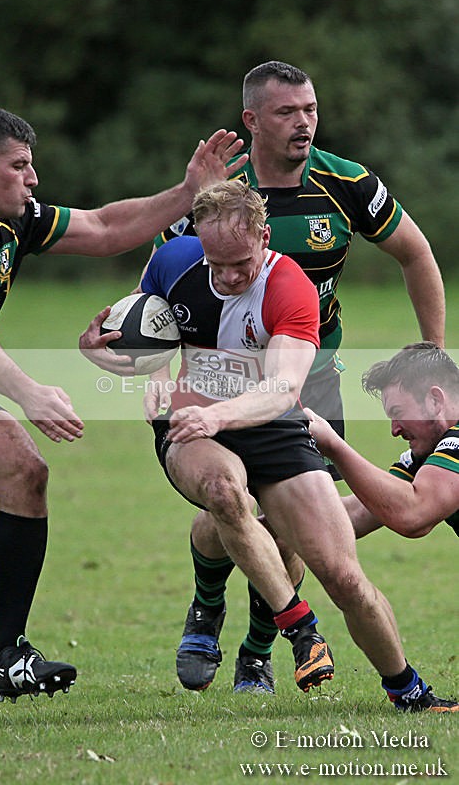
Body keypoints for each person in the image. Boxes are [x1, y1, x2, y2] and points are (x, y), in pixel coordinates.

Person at [81, 179, 456, 712]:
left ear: (263, 235)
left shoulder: (292, 287)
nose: (228, 277)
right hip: (191, 424)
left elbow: (283, 388)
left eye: (240, 263)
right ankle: (297, 628)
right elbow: (146, 331)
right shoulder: (173, 260)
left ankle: (408, 689)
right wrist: (104, 353)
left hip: (269, 424)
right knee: (224, 491)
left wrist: (220, 414)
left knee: (344, 575)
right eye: (216, 264)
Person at [140, 60, 446, 694]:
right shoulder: (218, 199)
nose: (304, 122)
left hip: (310, 379)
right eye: (287, 112)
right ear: (252, 120)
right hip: (218, 386)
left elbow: (416, 252)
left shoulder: (346, 183)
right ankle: (211, 605)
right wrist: (158, 375)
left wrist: (433, 356)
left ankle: (257, 650)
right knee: (230, 501)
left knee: (289, 531)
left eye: (310, 109)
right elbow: (163, 301)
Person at [0, 104, 247, 703]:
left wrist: (187, 192)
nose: (33, 179)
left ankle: (10, 658)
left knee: (23, 471)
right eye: (20, 166)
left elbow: (103, 229)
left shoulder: (10, 220)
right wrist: (28, 392)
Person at [305, 343, 459, 541]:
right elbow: (355, 515)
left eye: (398, 413)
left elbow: (414, 516)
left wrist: (334, 446)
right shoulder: (427, 453)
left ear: (435, 401)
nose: (394, 430)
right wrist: (267, 525)